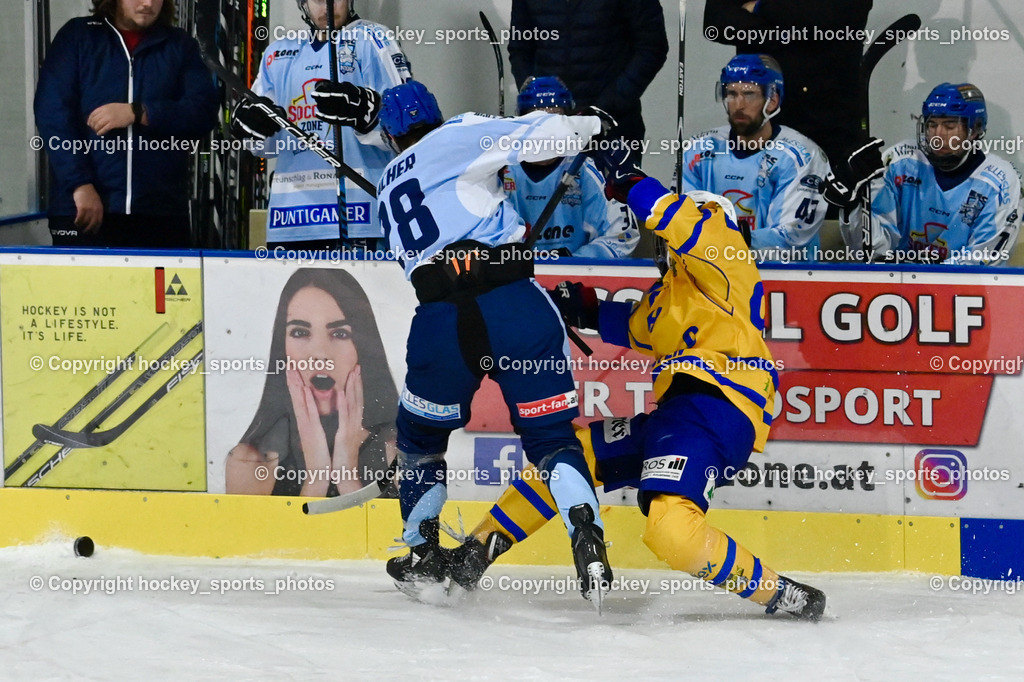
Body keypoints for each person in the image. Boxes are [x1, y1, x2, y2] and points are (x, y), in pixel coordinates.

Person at [449, 149, 827, 621]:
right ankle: (473, 555)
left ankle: (779, 593)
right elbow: (631, 325)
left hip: (719, 408)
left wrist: (629, 177)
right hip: (680, 415)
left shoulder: (727, 260)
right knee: (570, 457)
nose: (664, 249)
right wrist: (577, 307)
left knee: (671, 531)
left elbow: (676, 217)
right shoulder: (670, 296)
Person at [374, 80, 613, 607]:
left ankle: (421, 555)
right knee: (553, 439)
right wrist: (593, 125)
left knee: (420, 439)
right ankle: (589, 541)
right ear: (436, 114)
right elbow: (546, 132)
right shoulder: (459, 133)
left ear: (390, 138)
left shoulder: (385, 188)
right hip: (512, 306)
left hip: (438, 320)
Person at [34, 0, 218, 248]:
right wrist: (79, 185)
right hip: (83, 209)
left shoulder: (179, 44)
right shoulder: (78, 37)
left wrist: (140, 112)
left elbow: (203, 112)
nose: (148, 3)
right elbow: (53, 116)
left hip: (160, 212)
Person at [230, 0, 411, 250]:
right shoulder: (278, 54)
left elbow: (411, 131)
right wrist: (250, 127)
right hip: (290, 221)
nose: (327, 5)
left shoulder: (373, 39)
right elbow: (265, 147)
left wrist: (368, 114)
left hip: (361, 216)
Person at [225, 268, 398, 497]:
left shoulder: (398, 447)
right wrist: (317, 478)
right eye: (299, 332)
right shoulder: (250, 460)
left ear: (362, 349)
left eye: (340, 334)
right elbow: (269, 534)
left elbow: (390, 533)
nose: (319, 354)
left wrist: (347, 474)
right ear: (282, 347)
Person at [832, 83, 1022, 265]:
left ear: (975, 130)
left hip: (969, 293)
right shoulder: (900, 162)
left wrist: (923, 276)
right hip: (897, 286)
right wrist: (852, 207)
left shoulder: (1000, 182)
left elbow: (983, 262)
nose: (938, 135)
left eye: (949, 126)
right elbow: (872, 252)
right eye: (932, 125)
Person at [681, 54, 829, 262]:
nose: (738, 104)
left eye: (749, 94)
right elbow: (681, 222)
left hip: (786, 280)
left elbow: (790, 239)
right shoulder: (699, 149)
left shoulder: (802, 156)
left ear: (772, 100)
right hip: (711, 271)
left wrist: (723, 242)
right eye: (732, 93)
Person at [703, 0, 873, 165]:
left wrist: (760, 7)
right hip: (761, 110)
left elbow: (829, 15)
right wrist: (784, 34)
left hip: (828, 116)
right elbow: (716, 23)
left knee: (827, 188)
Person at [501, 77, 638, 258]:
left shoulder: (587, 168)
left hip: (577, 280)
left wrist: (574, 262)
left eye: (555, 119)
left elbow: (623, 235)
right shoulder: (502, 170)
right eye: (537, 119)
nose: (547, 132)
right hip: (517, 279)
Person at [508, 0, 668, 144]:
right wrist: (534, 99)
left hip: (612, 125)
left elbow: (652, 48)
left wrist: (607, 106)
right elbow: (520, 49)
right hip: (546, 126)